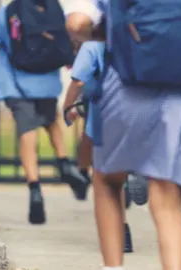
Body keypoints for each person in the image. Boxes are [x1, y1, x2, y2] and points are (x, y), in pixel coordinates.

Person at [64, 0, 181, 269]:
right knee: (167, 195)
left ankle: (114, 266)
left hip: (127, 84)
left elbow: (76, 22)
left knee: (107, 180)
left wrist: (98, 35)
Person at [0, 0, 89, 225]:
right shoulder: (54, 9)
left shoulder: (9, 13)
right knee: (51, 120)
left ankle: (35, 187)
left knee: (27, 130)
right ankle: (64, 162)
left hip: (16, 84)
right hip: (47, 82)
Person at [62, 19, 136, 253]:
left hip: (105, 112)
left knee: (105, 177)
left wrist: (67, 107)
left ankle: (121, 234)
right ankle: (137, 175)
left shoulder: (92, 47)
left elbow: (78, 81)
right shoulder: (137, 43)